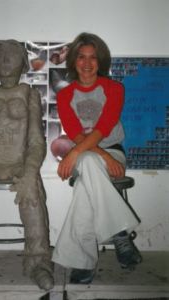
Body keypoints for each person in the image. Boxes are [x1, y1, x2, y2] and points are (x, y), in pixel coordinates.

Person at [52, 32, 142, 284]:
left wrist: (79, 153)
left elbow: (104, 127)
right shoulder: (64, 95)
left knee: (84, 185)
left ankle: (83, 263)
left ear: (100, 61)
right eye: (81, 57)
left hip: (112, 151)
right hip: (86, 153)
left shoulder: (114, 89)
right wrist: (82, 152)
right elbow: (75, 134)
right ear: (74, 61)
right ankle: (119, 233)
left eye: (93, 57)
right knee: (90, 162)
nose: (87, 62)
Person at [0, 40, 54, 290]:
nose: (5, 59)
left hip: (17, 163)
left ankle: (38, 261)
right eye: (0, 54)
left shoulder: (29, 94)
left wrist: (30, 170)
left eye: (12, 54)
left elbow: (37, 142)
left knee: (32, 189)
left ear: (24, 63)